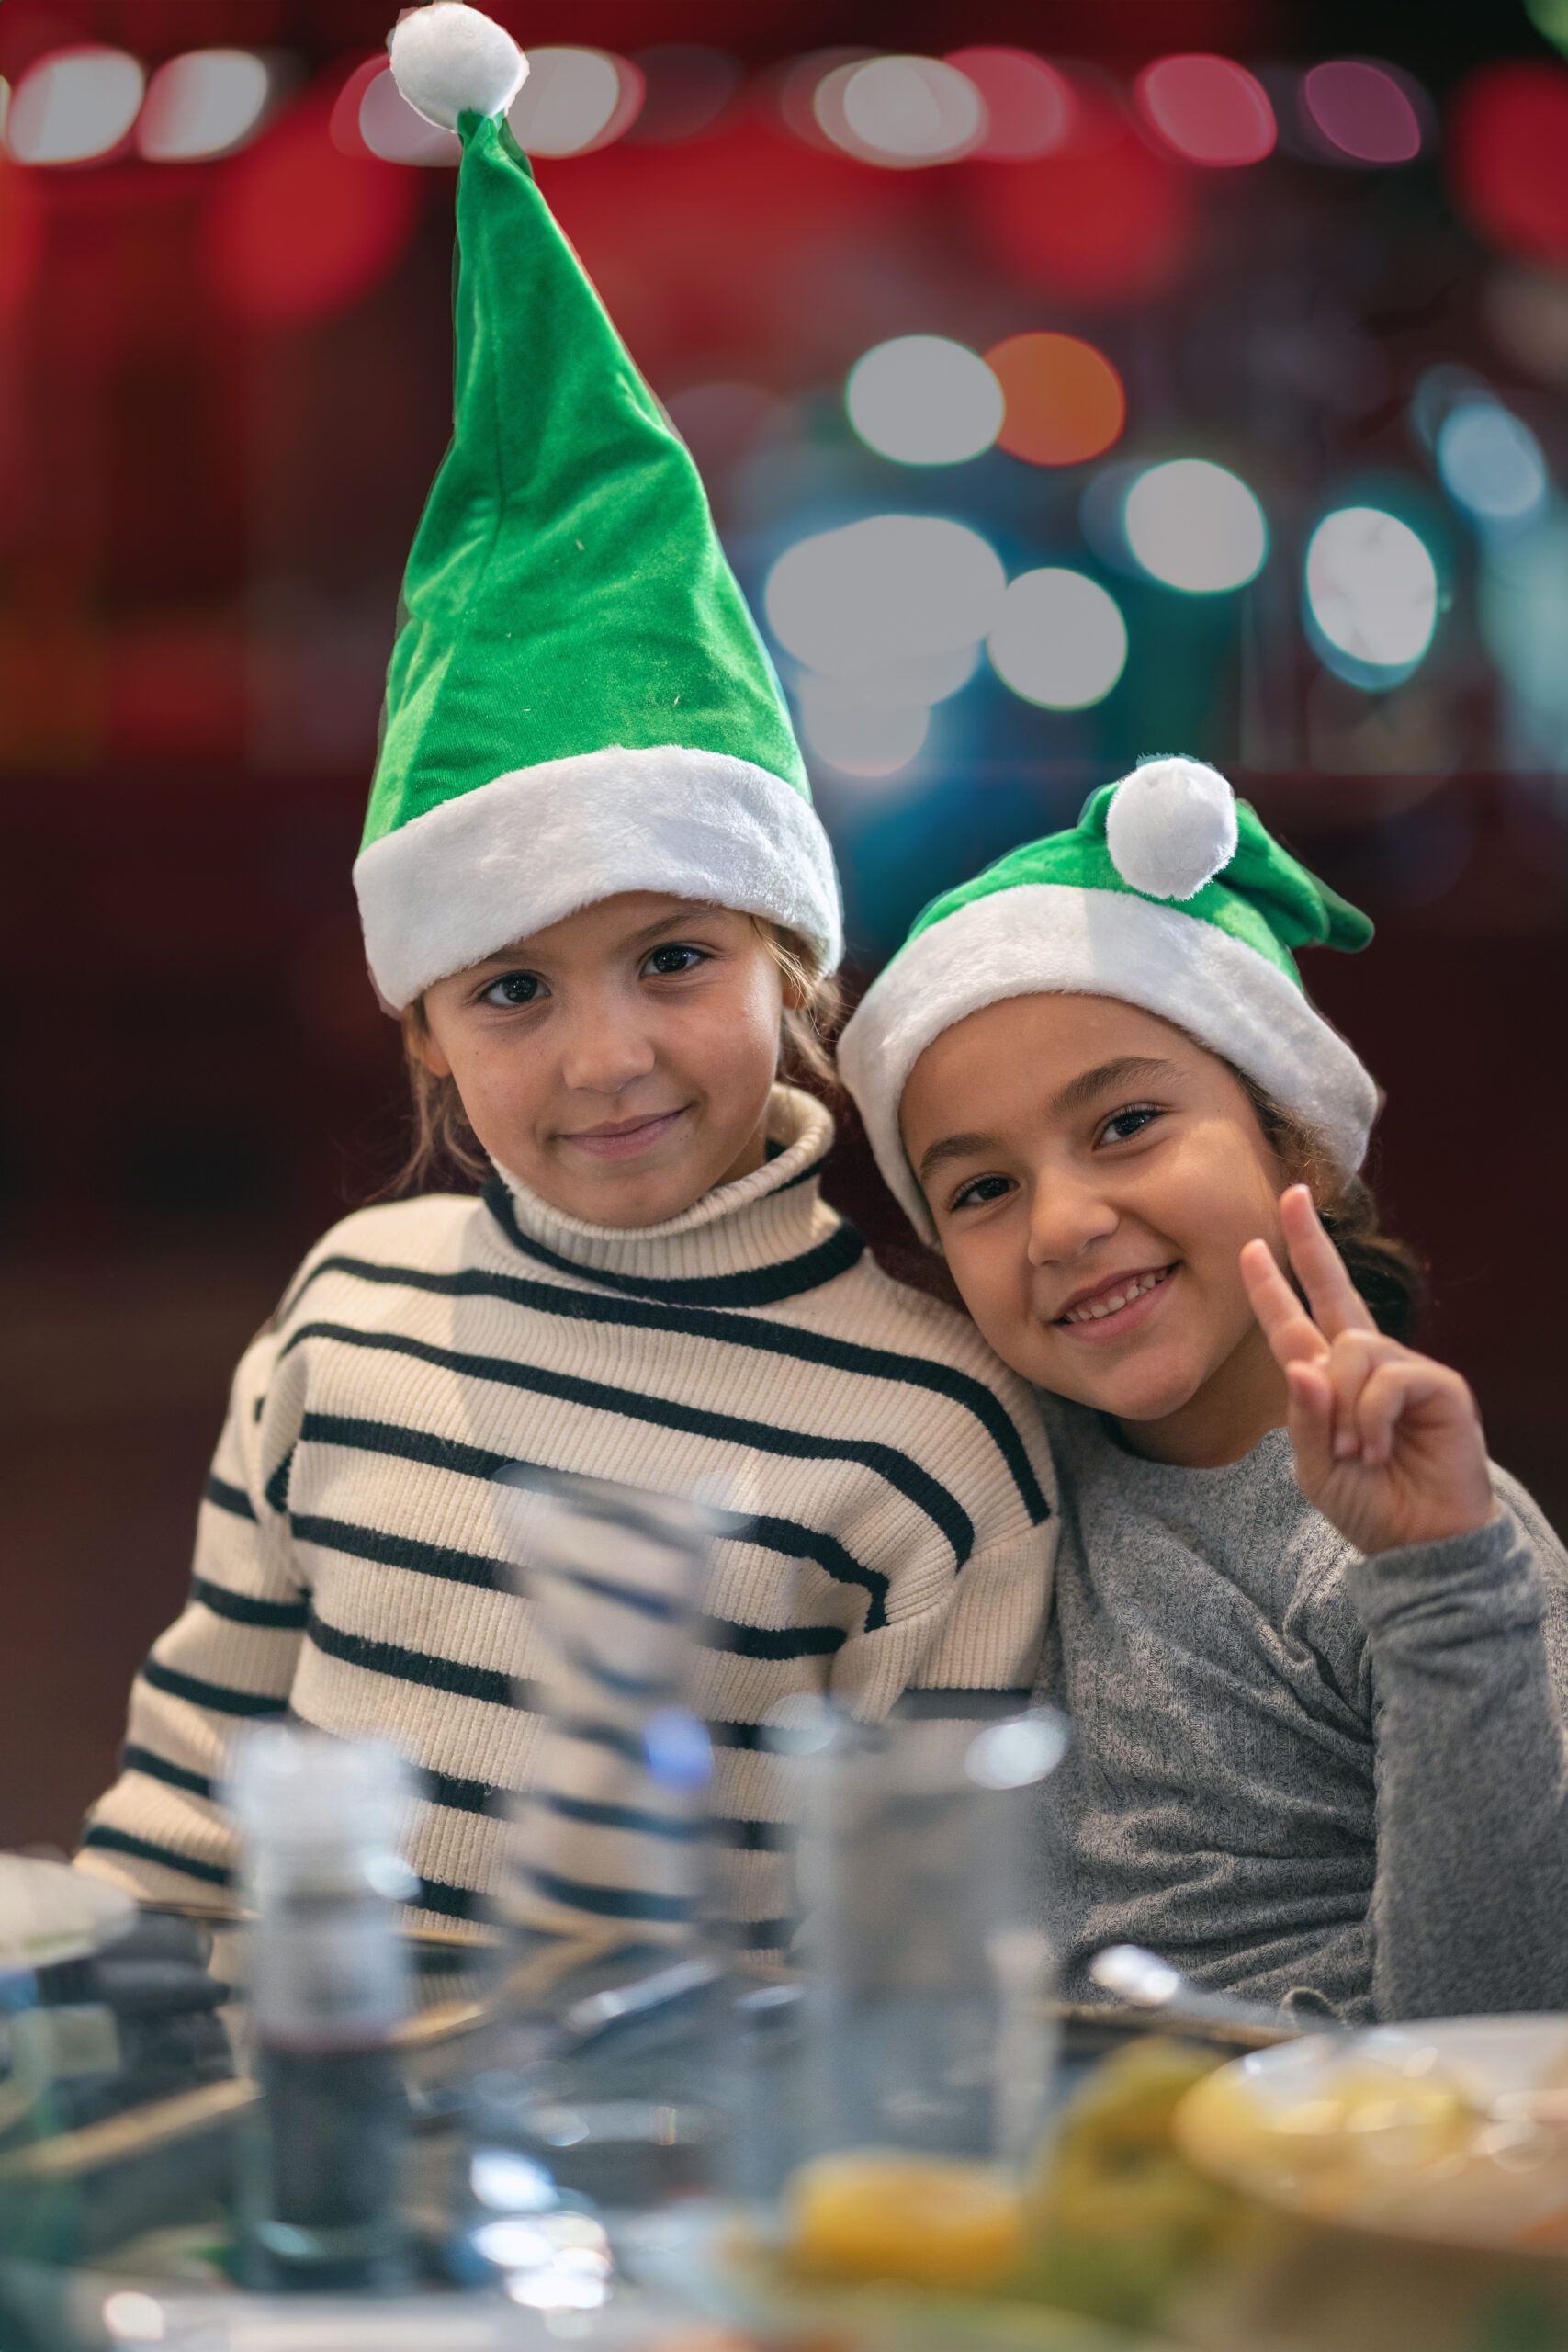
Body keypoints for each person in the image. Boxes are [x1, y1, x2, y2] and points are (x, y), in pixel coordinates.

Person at [74, 3, 1055, 1947]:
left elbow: (917, 1961)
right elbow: (192, 1808)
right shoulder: (345, 1313)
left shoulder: (936, 1444)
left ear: (791, 964)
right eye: (510, 988)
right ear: (419, 1022)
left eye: (672, 955)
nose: (608, 1052)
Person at [839, 757, 1568, 2022]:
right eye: (982, 1189)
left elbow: (1508, 2031)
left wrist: (1444, 1584)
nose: (1062, 1223)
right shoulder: (985, 1480)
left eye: (1124, 1124)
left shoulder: (1436, 1538)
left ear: (1294, 1139)